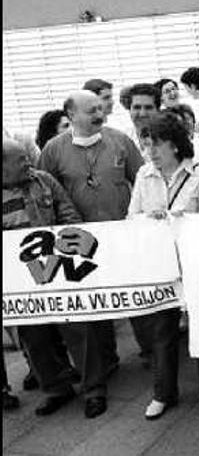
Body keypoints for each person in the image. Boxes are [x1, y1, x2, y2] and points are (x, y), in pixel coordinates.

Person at [38, 89, 145, 418]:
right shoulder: (53, 151)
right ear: (70, 115)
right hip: (79, 246)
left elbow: (141, 180)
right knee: (93, 306)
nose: (99, 115)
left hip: (122, 237)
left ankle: (153, 353)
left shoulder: (121, 142)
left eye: (100, 109)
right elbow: (46, 193)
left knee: (137, 296)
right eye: (90, 111)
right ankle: (103, 367)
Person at [127, 112, 199, 420]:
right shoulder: (143, 175)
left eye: (157, 144)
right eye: (146, 144)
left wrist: (183, 218)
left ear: (175, 146)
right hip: (160, 262)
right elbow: (132, 217)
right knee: (162, 329)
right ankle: (163, 393)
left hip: (193, 259)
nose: (150, 151)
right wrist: (148, 218)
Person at [3, 139, 81, 417]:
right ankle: (57, 388)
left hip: (59, 265)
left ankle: (89, 377)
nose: (28, 163)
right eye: (21, 160)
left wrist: (68, 242)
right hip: (20, 279)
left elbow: (67, 211)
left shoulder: (44, 180)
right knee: (35, 337)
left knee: (73, 326)